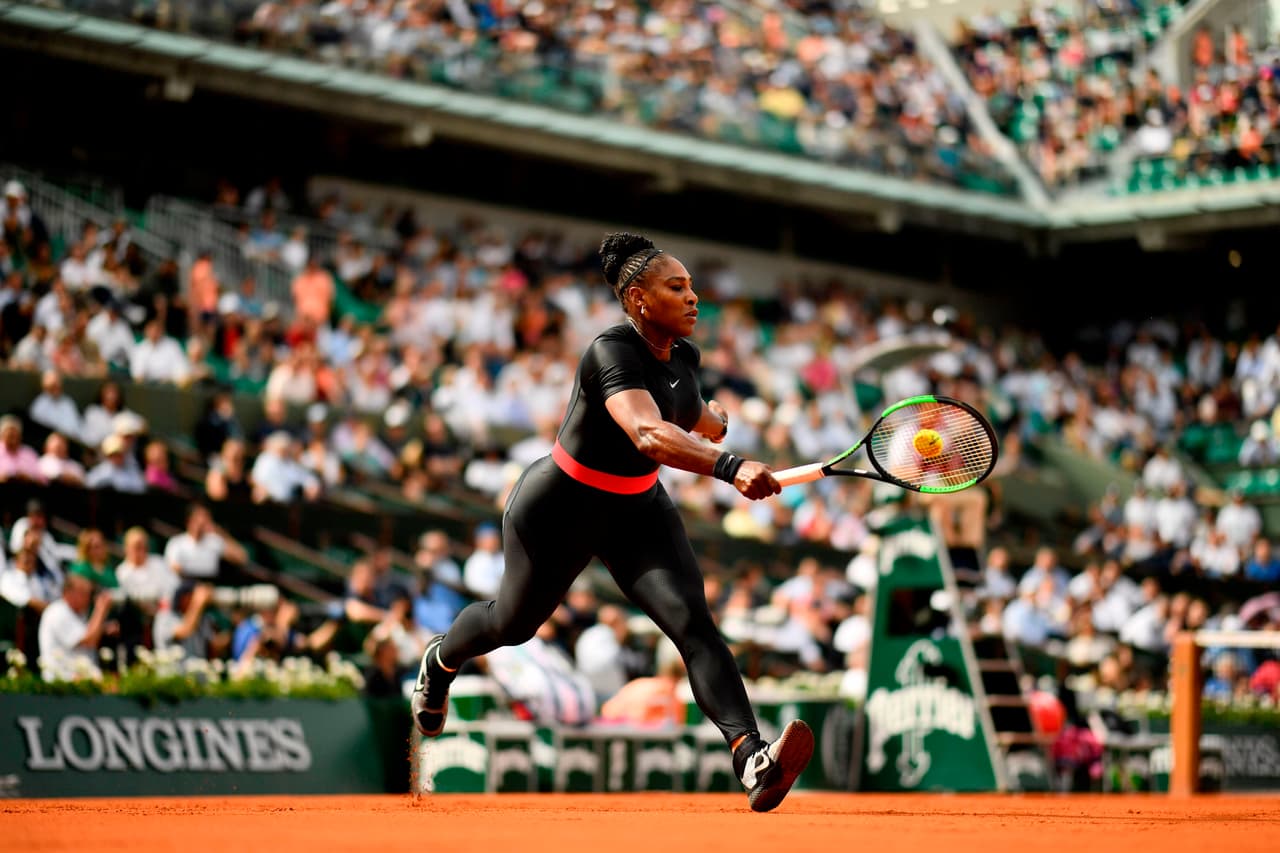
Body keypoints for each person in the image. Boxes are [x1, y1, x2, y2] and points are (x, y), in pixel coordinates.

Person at [410, 232, 812, 812]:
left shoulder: (686, 359)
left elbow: (690, 413)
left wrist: (716, 423)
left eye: (693, 286)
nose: (693, 297)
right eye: (677, 287)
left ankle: (752, 756)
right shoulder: (610, 350)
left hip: (638, 512)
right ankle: (440, 659)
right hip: (558, 507)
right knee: (511, 624)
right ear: (638, 299)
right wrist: (730, 466)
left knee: (694, 625)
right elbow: (648, 430)